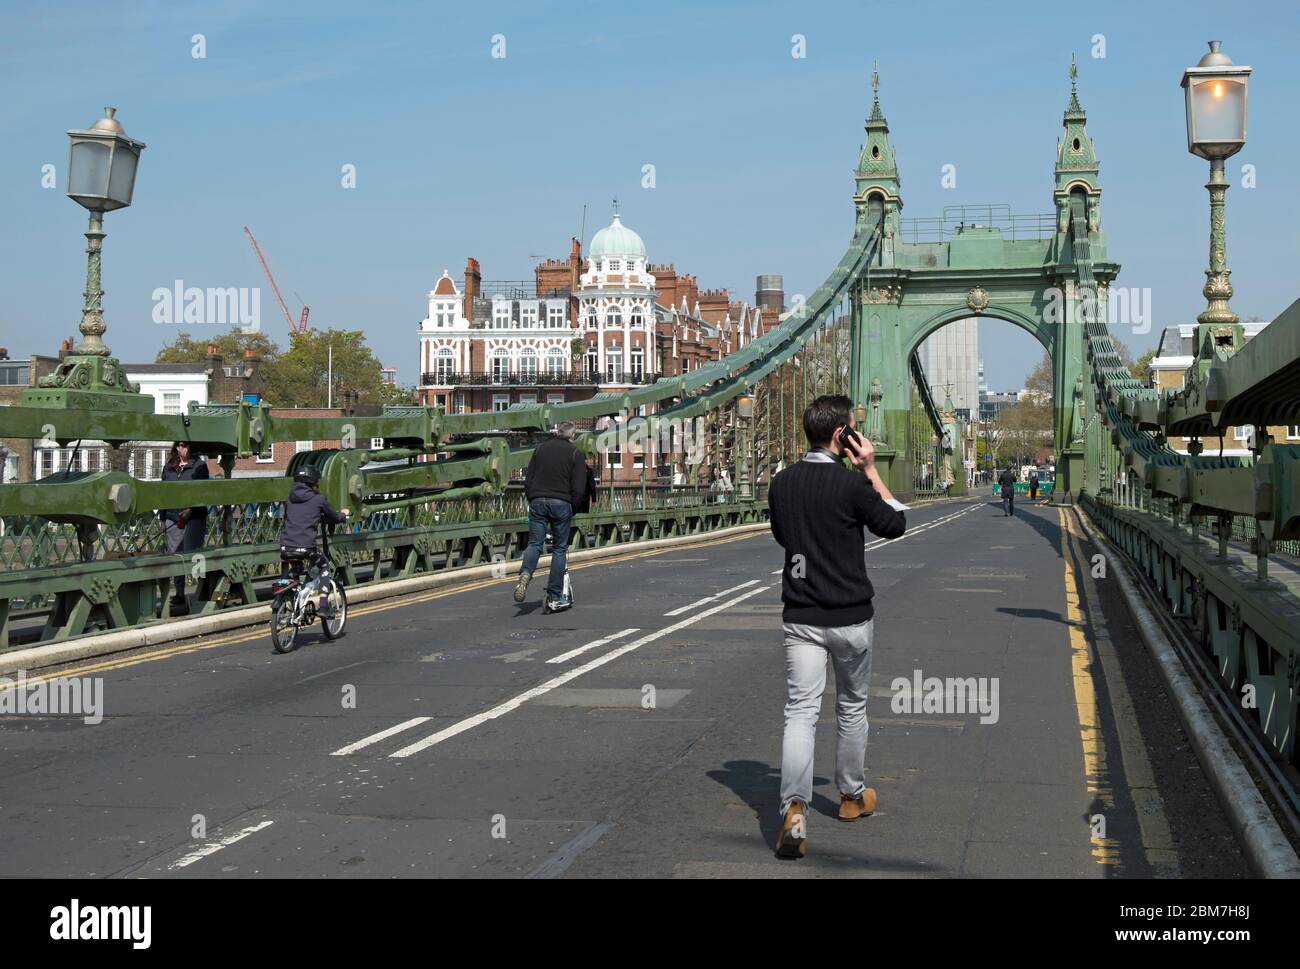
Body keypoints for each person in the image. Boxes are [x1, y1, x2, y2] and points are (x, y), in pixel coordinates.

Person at [767, 394, 907, 859]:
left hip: (801, 617)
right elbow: (895, 524)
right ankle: (850, 797)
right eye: (853, 427)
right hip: (850, 617)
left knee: (800, 712)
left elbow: (785, 538)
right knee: (851, 706)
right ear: (841, 435)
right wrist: (869, 468)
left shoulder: (782, 483)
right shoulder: (852, 486)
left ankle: (793, 810)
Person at [514, 421, 588, 610]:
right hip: (561, 503)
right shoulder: (575, 453)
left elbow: (528, 479)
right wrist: (573, 506)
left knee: (534, 543)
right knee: (559, 549)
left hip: (538, 501)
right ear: (572, 436)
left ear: (556, 433)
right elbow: (579, 488)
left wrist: (533, 498)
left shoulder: (540, 449)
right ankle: (555, 595)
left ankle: (525, 574)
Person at [160, 442, 209, 609]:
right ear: (176, 448)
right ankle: (179, 594)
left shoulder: (200, 466)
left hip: (193, 518)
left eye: (186, 445)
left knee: (195, 557)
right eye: (180, 445)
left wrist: (190, 510)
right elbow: (163, 495)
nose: (184, 449)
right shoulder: (168, 468)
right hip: (172, 517)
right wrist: (162, 518)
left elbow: (202, 493)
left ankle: (200, 593)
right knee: (175, 557)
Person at [280, 464, 351, 569]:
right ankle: (322, 586)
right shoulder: (318, 499)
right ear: (313, 482)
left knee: (297, 568)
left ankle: (291, 584)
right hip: (306, 547)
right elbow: (335, 517)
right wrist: (344, 514)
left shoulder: (289, 500)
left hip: (285, 547)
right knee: (324, 565)